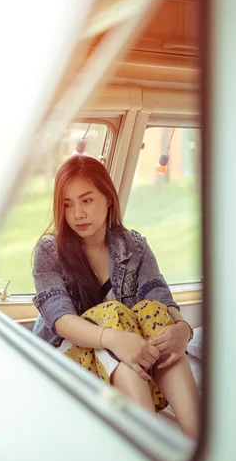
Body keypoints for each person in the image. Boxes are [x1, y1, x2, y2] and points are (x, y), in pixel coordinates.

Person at [32, 155, 199, 439]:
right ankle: (153, 443)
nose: (77, 215)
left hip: (137, 369)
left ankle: (200, 440)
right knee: (114, 313)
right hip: (69, 366)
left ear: (108, 198)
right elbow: (61, 320)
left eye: (87, 200)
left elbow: (159, 297)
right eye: (67, 204)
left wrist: (183, 329)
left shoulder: (133, 246)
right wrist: (113, 338)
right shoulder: (49, 252)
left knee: (153, 310)